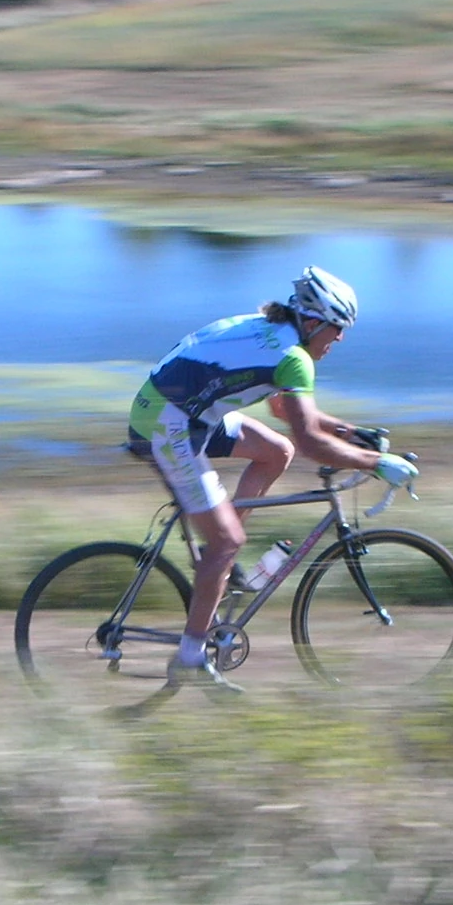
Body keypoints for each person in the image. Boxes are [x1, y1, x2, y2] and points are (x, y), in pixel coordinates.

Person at [128, 265, 419, 692]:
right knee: (228, 542)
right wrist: (374, 463)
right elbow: (311, 442)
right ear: (314, 323)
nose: (340, 339)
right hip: (167, 424)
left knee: (276, 452)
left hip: (185, 413)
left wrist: (351, 433)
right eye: (338, 328)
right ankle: (190, 655)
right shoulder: (293, 358)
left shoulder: (274, 330)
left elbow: (284, 411)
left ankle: (216, 558)